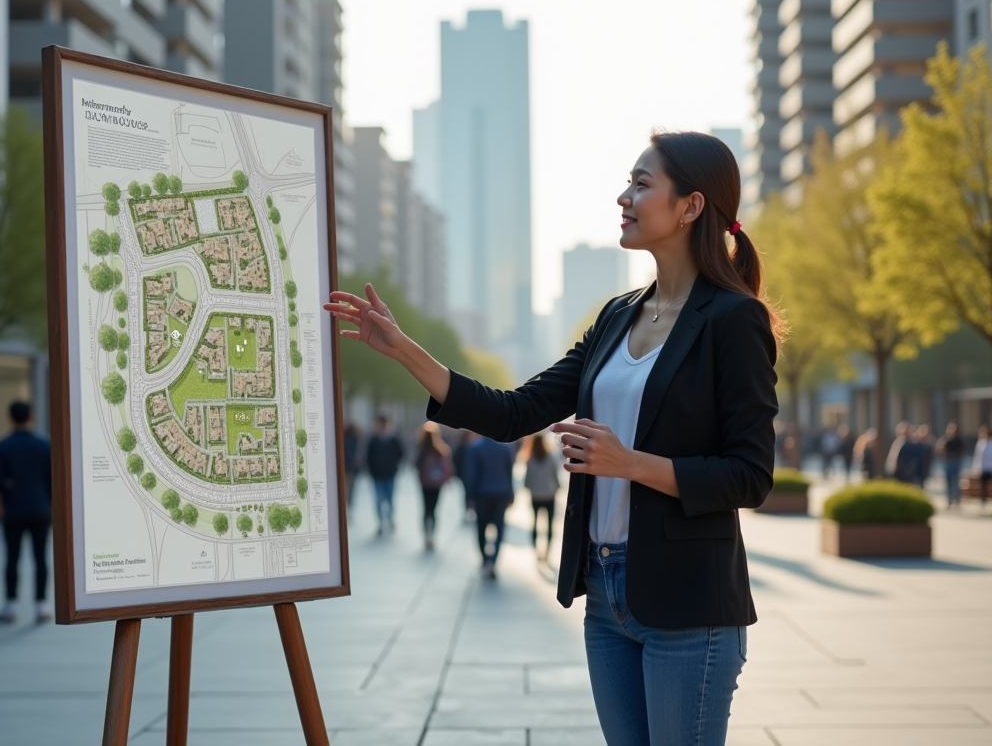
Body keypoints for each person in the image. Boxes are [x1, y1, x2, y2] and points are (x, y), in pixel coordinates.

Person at [326, 131, 780, 745]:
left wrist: (630, 463)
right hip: (607, 595)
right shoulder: (617, 316)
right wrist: (404, 350)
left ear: (691, 206)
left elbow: (749, 475)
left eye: (643, 184)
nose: (625, 196)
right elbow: (517, 411)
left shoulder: (733, 319)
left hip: (690, 606)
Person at [0, 401, 53, 624]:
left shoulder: (3, 446)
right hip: (41, 509)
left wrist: (1, 502)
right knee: (40, 558)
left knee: (12, 558)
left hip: (13, 510)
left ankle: (11, 605)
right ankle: (42, 605)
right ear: (32, 416)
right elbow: (54, 478)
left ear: (10, 418)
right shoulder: (45, 444)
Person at [463, 434, 515, 579]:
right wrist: (511, 493)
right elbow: (509, 472)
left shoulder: (474, 447)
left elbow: (471, 475)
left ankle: (485, 559)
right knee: (499, 528)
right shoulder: (505, 447)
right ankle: (493, 561)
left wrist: (469, 497)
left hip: (482, 494)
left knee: (481, 528)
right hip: (501, 493)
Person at [523, 432, 562, 562]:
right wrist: (557, 487)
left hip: (535, 495)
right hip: (549, 495)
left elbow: (527, 481)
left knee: (535, 523)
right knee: (550, 525)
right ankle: (547, 553)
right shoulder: (550, 457)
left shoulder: (530, 458)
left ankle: (536, 551)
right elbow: (555, 477)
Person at [415, 422, 454, 551]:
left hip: (425, 483)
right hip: (437, 484)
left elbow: (415, 465)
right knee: (434, 509)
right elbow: (447, 467)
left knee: (426, 508)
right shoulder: (441, 449)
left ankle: (427, 534)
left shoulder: (421, 450)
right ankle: (432, 535)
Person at [365, 415, 403, 535]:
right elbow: (368, 457)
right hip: (377, 475)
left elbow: (400, 454)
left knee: (389, 499)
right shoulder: (373, 440)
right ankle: (381, 522)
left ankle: (390, 519)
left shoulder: (393, 439)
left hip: (389, 474)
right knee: (378, 500)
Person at [938, 423, 965, 508]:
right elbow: (940, 448)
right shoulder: (946, 439)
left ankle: (956, 499)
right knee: (948, 481)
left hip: (955, 461)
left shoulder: (958, 440)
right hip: (948, 461)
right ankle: (950, 500)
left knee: (955, 481)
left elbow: (962, 450)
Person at [342, 421, 363, 516]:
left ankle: (347, 509)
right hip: (350, 470)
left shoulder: (345, 439)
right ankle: (348, 509)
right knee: (350, 491)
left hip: (348, 469)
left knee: (347, 491)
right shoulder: (356, 440)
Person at [974, 425, 992, 505]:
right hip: (983, 468)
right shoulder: (981, 443)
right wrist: (976, 468)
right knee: (983, 485)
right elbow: (978, 457)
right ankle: (983, 500)